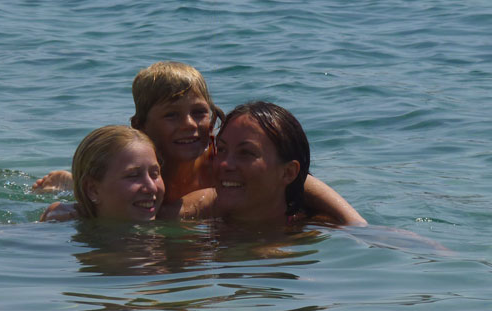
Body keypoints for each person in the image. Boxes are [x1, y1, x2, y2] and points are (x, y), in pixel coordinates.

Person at [34, 61, 365, 225]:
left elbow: (301, 181)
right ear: (140, 125)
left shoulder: (220, 163)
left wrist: (357, 226)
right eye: (171, 115)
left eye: (199, 113)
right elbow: (106, 198)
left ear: (212, 116)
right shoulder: (138, 165)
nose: (189, 125)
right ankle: (71, 180)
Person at [178, 101, 368, 226]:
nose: (225, 164)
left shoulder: (312, 231)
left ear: (288, 173)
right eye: (222, 149)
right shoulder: (190, 214)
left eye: (246, 153)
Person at [39, 125, 168, 222]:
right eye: (133, 176)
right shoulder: (63, 219)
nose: (152, 187)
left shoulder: (172, 215)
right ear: (93, 190)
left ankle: (72, 184)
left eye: (155, 174)